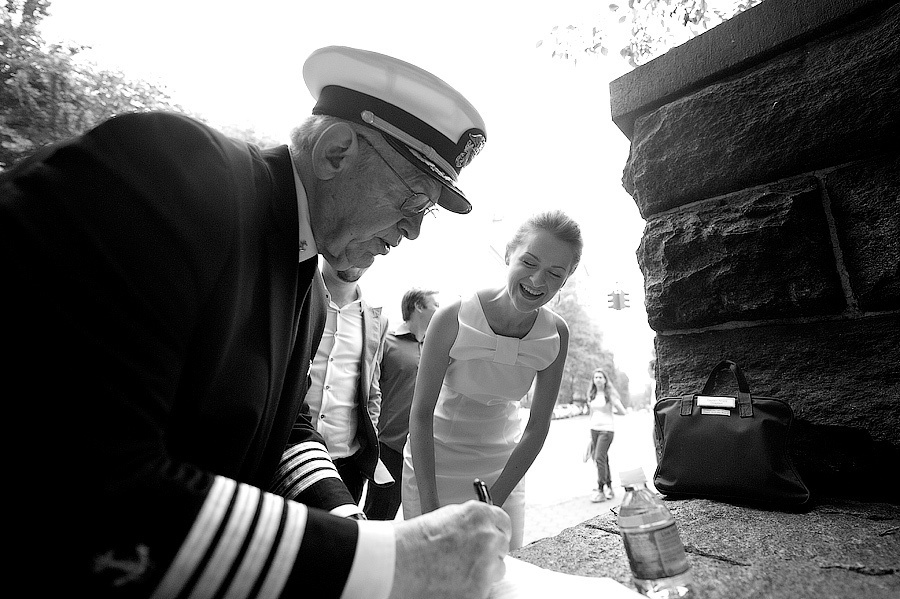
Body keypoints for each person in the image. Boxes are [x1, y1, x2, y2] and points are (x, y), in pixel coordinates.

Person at [1, 45, 511, 599]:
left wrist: (348, 521)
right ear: (337, 152)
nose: (412, 231)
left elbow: (283, 428)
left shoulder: (308, 287)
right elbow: (84, 479)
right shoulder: (171, 169)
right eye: (413, 200)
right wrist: (388, 563)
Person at [403, 210, 583, 550]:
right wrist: (429, 507)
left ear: (565, 279)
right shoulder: (452, 317)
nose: (537, 280)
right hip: (434, 464)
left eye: (555, 273)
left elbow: (537, 426)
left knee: (498, 569)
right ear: (507, 255)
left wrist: (494, 498)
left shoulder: (556, 334)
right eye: (529, 263)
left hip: (503, 472)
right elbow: (420, 412)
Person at [302, 259, 390, 504]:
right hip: (291, 454)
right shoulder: (300, 299)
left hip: (345, 465)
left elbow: (372, 390)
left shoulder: (376, 321)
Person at [364, 288, 440, 520]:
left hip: (426, 446)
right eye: (435, 304)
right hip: (390, 445)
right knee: (379, 514)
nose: (440, 310)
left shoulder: (436, 346)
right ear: (418, 306)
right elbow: (370, 390)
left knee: (424, 515)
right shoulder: (387, 342)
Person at [587, 368, 628, 502]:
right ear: (593, 380)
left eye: (600, 377)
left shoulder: (609, 395)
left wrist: (610, 413)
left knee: (599, 458)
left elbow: (622, 411)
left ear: (605, 380)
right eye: (596, 377)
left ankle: (600, 489)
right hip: (594, 430)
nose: (598, 379)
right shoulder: (591, 394)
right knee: (603, 459)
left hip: (607, 430)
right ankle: (609, 486)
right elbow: (591, 414)